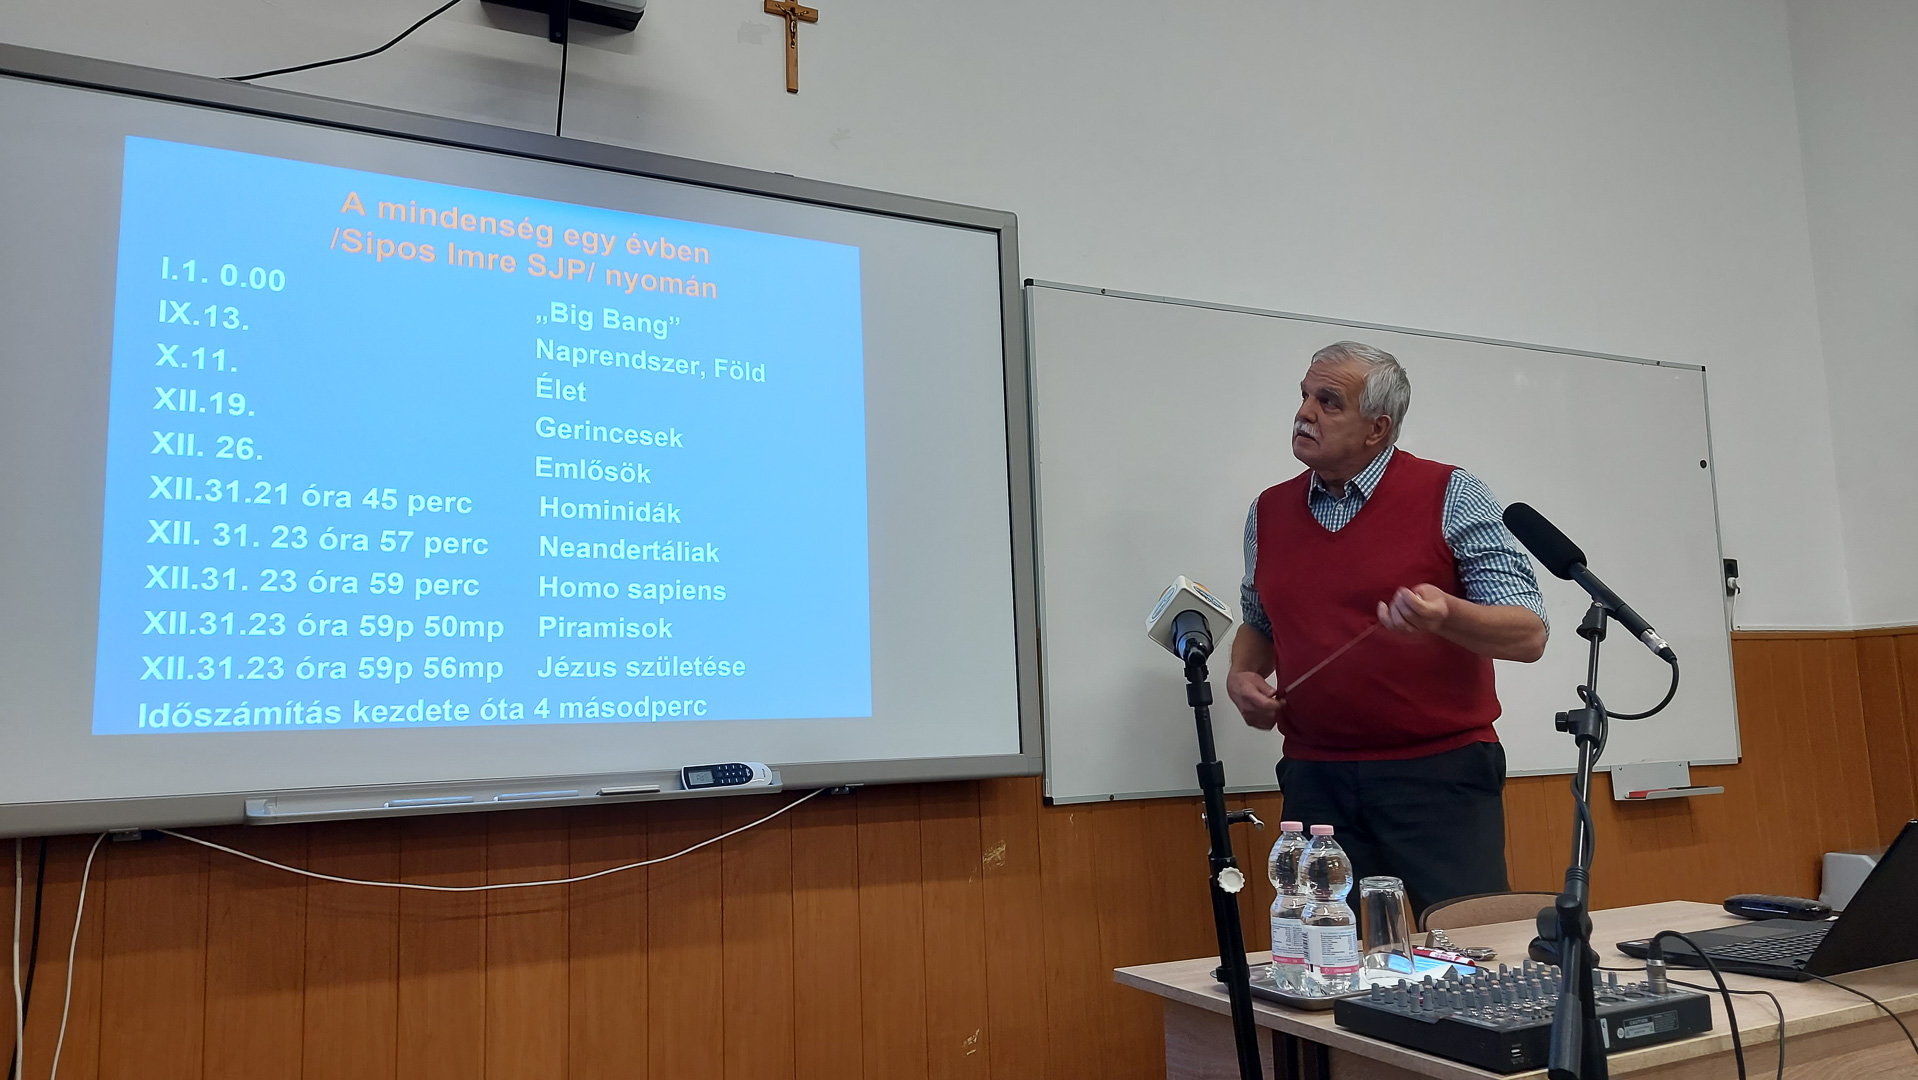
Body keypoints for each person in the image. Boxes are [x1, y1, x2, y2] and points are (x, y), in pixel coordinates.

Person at [1227, 340, 1549, 916]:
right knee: (1326, 952)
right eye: (1304, 396)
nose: (1304, 413)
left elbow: (1529, 634)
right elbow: (1259, 622)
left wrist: (1447, 614)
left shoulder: (1450, 494)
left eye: (1329, 402)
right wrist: (1242, 676)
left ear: (1377, 428)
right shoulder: (1267, 512)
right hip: (1314, 780)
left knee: (1460, 949)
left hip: (1437, 778)